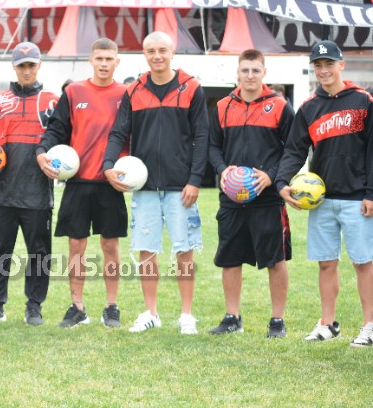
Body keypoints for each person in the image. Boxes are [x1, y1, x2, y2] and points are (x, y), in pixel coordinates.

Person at [103, 31, 209, 334]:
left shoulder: (191, 88)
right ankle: (151, 312)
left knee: (184, 250)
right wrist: (108, 166)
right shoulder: (134, 91)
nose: (157, 56)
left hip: (181, 187)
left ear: (173, 52)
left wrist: (195, 180)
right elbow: (118, 133)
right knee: (146, 251)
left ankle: (186, 315)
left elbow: (202, 138)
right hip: (145, 188)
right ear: (144, 54)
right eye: (151, 51)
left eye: (162, 50)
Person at [276, 40, 373, 347]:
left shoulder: (363, 101)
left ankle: (370, 325)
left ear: (341, 65)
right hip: (321, 200)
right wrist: (282, 182)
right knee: (327, 263)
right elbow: (294, 150)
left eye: (329, 64)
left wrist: (371, 192)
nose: (324, 70)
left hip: (358, 198)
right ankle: (328, 324)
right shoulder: (309, 107)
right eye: (318, 65)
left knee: (364, 263)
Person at [37, 38, 128, 329]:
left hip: (110, 182)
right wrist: (41, 152)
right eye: (99, 58)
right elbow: (57, 130)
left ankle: (111, 306)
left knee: (110, 245)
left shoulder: (127, 94)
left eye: (109, 59)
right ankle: (77, 306)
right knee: (76, 245)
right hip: (77, 182)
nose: (104, 64)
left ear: (117, 62)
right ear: (91, 60)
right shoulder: (74, 91)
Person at [0, 42, 59, 326]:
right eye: (22, 66)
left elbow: (60, 138)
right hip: (1, 194)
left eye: (31, 65)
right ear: (14, 67)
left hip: (38, 193)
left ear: (39, 65)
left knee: (39, 254)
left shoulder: (53, 101)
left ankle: (34, 307)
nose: (27, 70)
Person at [207, 49, 294, 338]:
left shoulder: (279, 106)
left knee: (275, 259)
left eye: (255, 70)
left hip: (267, 198)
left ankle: (277, 321)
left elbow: (292, 150)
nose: (250, 75)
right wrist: (222, 170)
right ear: (237, 72)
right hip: (231, 198)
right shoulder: (222, 106)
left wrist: (271, 176)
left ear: (264, 72)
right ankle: (232, 318)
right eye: (245, 70)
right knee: (229, 257)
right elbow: (212, 147)